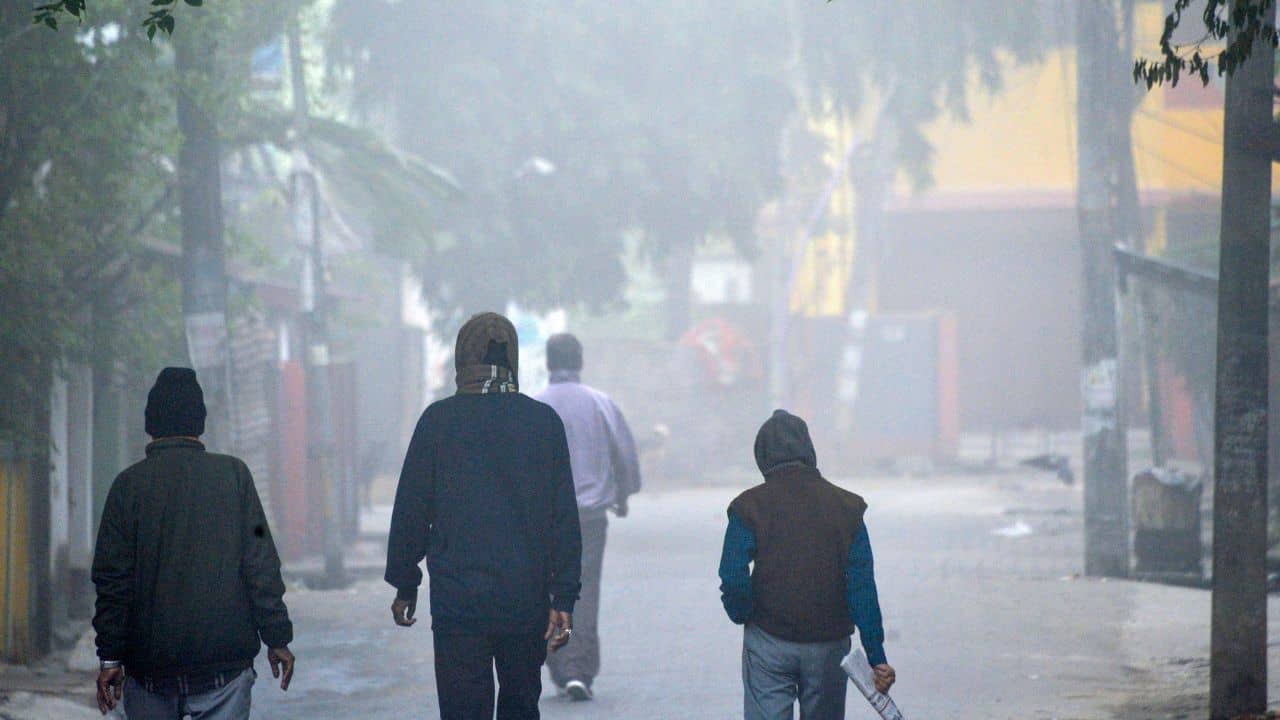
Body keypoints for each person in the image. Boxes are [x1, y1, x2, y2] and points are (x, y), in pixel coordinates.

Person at [385, 312, 582, 720]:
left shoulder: (437, 423)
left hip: (459, 606)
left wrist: (406, 582)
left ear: (462, 359)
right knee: (520, 705)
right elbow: (562, 517)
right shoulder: (542, 423)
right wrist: (563, 595)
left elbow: (411, 510)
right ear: (511, 358)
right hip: (524, 602)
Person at [92, 367, 295, 719]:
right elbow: (260, 562)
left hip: (149, 671)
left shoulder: (128, 487)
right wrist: (277, 637)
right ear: (199, 423)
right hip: (224, 672)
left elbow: (113, 581)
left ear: (150, 424)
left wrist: (110, 657)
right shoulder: (234, 477)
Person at [718, 409, 896, 720]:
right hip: (828, 646)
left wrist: (743, 614)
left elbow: (733, 575)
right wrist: (876, 656)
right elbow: (861, 586)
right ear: (808, 451)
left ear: (762, 456)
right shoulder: (847, 508)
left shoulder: (748, 507)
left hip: (768, 639)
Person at [534, 333, 640, 700]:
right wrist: (623, 495)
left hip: (543, 518)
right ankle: (578, 669)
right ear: (579, 361)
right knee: (584, 588)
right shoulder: (600, 403)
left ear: (548, 362)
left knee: (548, 587)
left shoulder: (533, 405)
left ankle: (560, 664)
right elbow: (624, 455)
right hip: (589, 517)